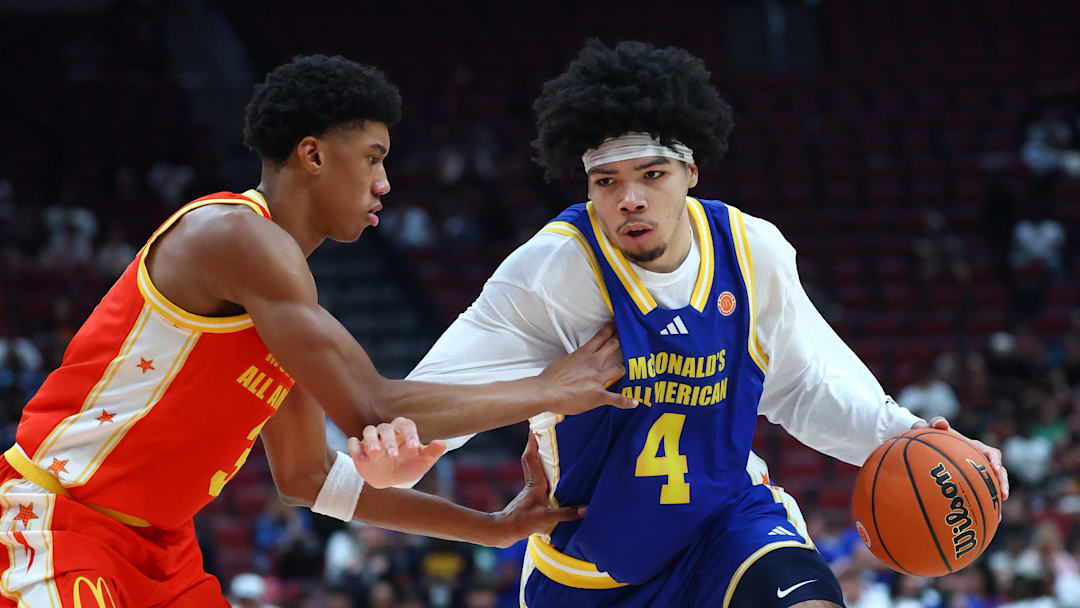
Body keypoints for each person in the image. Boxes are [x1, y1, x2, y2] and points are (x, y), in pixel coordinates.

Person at [0, 55, 635, 607]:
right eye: (373, 158)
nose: (384, 183)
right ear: (313, 154)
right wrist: (552, 389)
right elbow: (372, 408)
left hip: (162, 550)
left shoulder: (283, 289)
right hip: (62, 522)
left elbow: (307, 478)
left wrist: (489, 527)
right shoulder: (234, 236)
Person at [405, 40, 1010, 608]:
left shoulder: (751, 252)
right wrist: (398, 451)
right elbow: (442, 396)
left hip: (725, 526)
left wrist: (918, 440)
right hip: (587, 565)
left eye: (652, 174)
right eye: (607, 182)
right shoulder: (555, 270)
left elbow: (805, 384)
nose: (630, 199)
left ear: (690, 172)